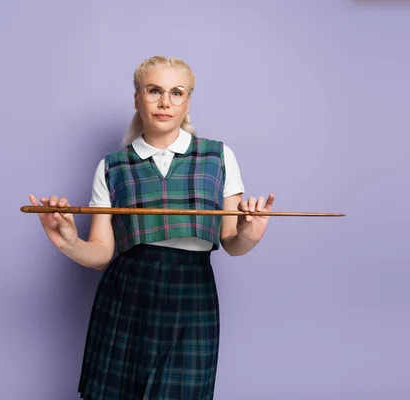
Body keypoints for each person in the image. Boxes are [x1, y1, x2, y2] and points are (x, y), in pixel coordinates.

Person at [29, 56, 274, 400]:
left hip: (194, 294)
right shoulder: (113, 166)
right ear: (137, 98)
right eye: (154, 90)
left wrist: (251, 232)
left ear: (188, 101)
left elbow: (232, 241)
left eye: (177, 93)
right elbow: (101, 254)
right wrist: (68, 241)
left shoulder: (218, 157)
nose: (165, 102)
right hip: (128, 293)